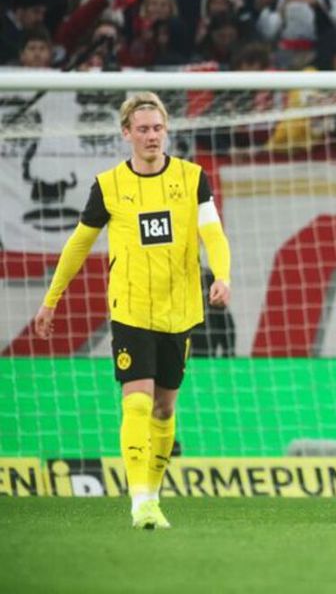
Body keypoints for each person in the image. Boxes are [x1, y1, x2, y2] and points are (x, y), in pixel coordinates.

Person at [33, 92, 232, 529]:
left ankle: (153, 495)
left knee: (164, 409)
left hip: (179, 311)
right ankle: (140, 500)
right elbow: (78, 245)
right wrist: (51, 298)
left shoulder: (192, 178)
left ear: (166, 130)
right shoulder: (109, 186)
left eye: (157, 128)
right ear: (126, 133)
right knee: (137, 402)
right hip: (131, 310)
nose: (151, 136)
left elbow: (213, 233)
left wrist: (222, 275)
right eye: (142, 129)